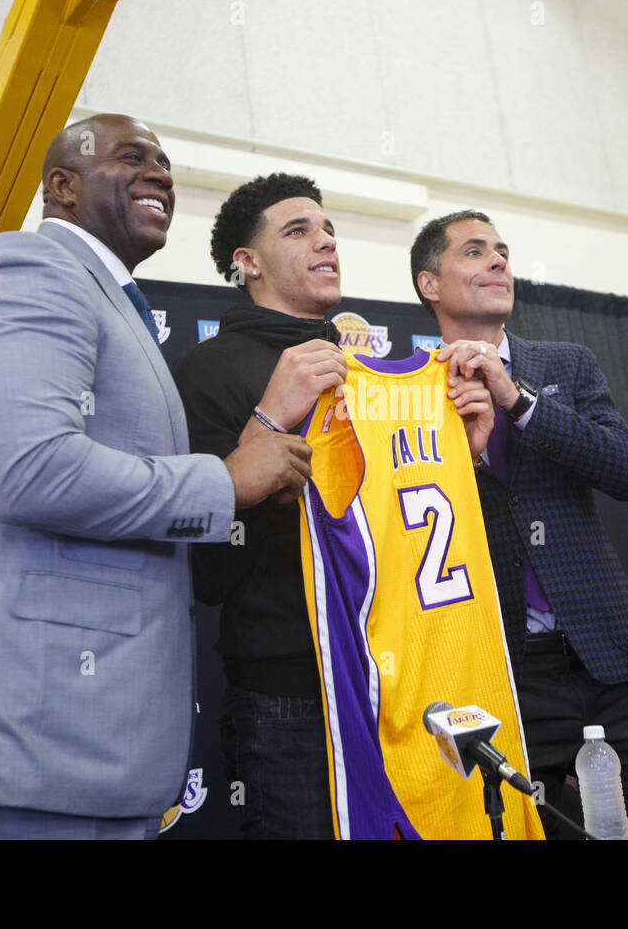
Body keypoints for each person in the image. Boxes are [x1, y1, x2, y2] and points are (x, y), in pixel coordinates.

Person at [0, 115, 310, 839]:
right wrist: (225, 481)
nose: (161, 173)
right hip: (28, 731)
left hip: (87, 741)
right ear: (62, 187)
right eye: (133, 158)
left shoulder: (107, 301)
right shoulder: (26, 268)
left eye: (165, 163)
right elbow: (31, 470)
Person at [173, 175, 494, 838]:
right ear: (247, 261)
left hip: (406, 680)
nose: (324, 242)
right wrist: (267, 426)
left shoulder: (370, 369)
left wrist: (469, 452)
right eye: (297, 231)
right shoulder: (205, 372)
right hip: (293, 694)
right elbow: (206, 571)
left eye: (328, 230)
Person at [412, 209, 628, 839]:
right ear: (428, 284)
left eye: (503, 251)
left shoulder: (565, 366)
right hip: (502, 668)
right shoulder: (410, 390)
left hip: (602, 654)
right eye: (473, 252)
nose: (498, 262)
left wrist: (517, 403)